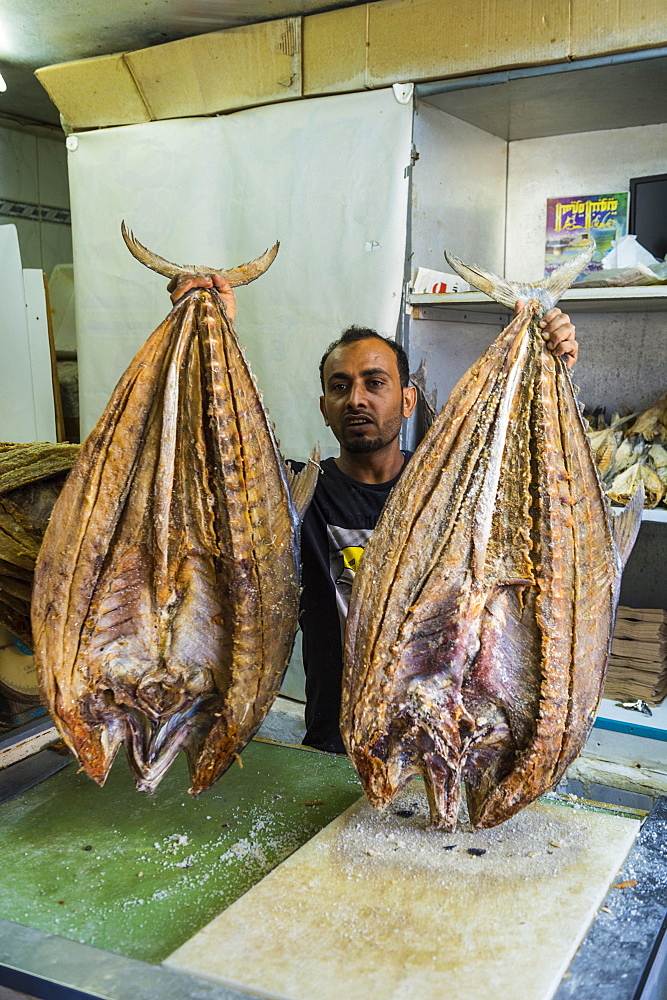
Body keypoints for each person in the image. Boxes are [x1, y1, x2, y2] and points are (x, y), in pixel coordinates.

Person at [168, 273, 579, 753]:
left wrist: (556, 366)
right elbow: (211, 454)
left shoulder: (455, 491)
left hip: (438, 746)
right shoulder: (296, 492)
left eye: (374, 383)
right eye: (339, 387)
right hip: (334, 744)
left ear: (407, 400)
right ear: (324, 408)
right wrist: (216, 329)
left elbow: (530, 475)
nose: (356, 398)